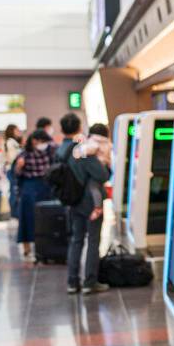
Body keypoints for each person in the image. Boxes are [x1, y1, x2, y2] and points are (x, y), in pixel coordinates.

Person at [56, 116, 111, 295]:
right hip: (91, 203)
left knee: (76, 240)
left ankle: (72, 282)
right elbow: (102, 175)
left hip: (74, 200)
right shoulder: (86, 151)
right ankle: (90, 281)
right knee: (93, 240)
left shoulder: (68, 150)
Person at [13, 129, 53, 257]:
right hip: (29, 188)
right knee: (27, 218)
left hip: (46, 187)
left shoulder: (50, 152)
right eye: (41, 141)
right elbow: (16, 174)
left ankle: (44, 244)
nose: (43, 144)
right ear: (34, 141)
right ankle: (26, 246)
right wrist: (19, 167)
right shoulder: (24, 155)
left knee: (45, 217)